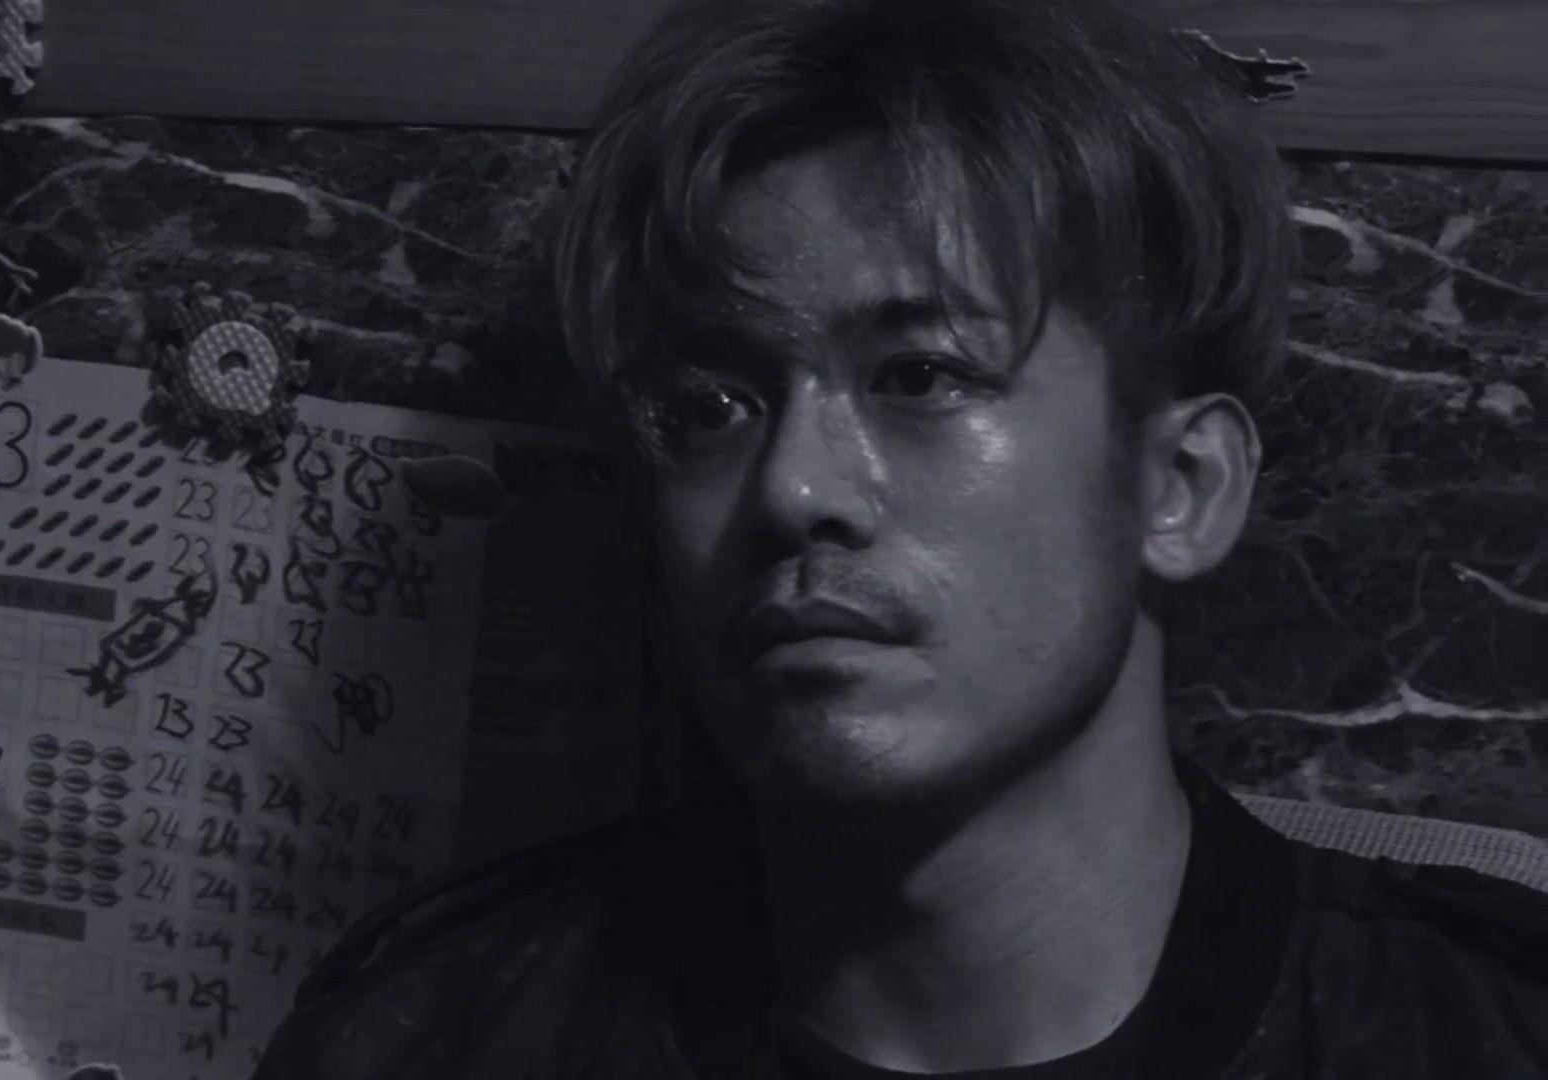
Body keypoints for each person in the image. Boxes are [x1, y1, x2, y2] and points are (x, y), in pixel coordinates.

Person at [252, 0, 1548, 1076]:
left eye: (921, 376)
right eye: (710, 407)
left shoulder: (1473, 1031)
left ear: (1181, 485)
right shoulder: (439, 1037)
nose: (793, 489)